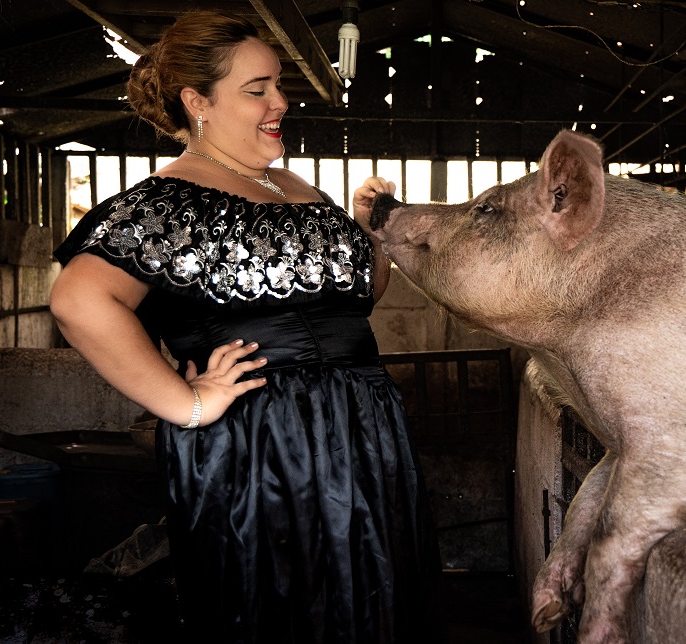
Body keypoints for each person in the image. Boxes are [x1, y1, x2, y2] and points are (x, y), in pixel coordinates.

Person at [50, 11, 442, 643]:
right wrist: (188, 404)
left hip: (364, 427)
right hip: (262, 443)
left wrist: (370, 231)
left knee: (372, 603)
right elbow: (79, 299)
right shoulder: (164, 202)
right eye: (256, 89)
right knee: (283, 608)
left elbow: (356, 297)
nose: (279, 102)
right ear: (197, 102)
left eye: (278, 85)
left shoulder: (292, 185)